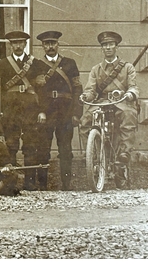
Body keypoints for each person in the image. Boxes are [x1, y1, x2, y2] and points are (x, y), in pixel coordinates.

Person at [79, 31, 140, 187]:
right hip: (102, 102)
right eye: (104, 45)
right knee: (85, 121)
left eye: (110, 44)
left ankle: (124, 153)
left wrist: (129, 95)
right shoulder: (96, 69)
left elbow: (133, 87)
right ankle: (93, 153)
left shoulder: (128, 68)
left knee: (128, 114)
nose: (108, 47)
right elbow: (91, 90)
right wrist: (86, 96)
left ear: (116, 47)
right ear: (102, 48)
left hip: (121, 101)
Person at [30, 31, 83, 191]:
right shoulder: (37, 65)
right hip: (45, 112)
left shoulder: (70, 63)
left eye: (53, 43)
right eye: (46, 44)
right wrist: (39, 111)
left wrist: (76, 113)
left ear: (58, 45)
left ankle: (66, 186)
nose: (50, 46)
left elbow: (77, 89)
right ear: (42, 46)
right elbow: (33, 92)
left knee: (66, 149)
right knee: (43, 149)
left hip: (65, 112)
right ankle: (43, 185)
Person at [0, 31, 40, 178]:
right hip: (10, 108)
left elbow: (42, 87)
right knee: (11, 144)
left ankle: (30, 182)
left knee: (30, 144)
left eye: (20, 43)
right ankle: (10, 181)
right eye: (14, 43)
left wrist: (41, 109)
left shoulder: (35, 63)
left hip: (30, 108)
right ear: (11, 45)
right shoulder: (3, 63)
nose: (18, 46)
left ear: (25, 44)